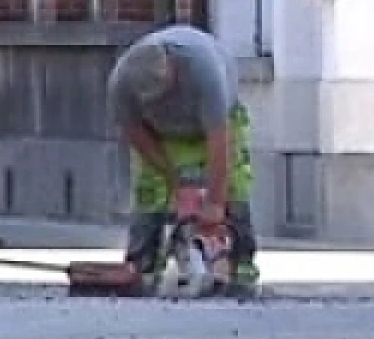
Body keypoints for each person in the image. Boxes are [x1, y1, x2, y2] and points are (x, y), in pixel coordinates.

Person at [106, 23, 260, 298]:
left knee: (233, 186)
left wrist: (214, 202)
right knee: (151, 193)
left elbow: (219, 143)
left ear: (173, 69)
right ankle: (142, 266)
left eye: (163, 95)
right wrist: (175, 180)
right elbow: (136, 134)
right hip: (158, 134)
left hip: (214, 126)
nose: (158, 103)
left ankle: (240, 267)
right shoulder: (121, 83)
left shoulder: (205, 71)